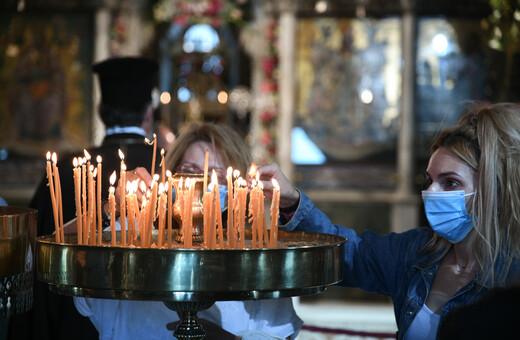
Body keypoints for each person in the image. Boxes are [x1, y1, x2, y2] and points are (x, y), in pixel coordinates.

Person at [253, 102, 520, 339]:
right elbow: (350, 255)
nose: (431, 193)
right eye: (429, 181)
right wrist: (291, 201)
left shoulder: (511, 277)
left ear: (489, 189)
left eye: (450, 182)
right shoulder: (417, 253)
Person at [73, 122, 303, 340]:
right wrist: (110, 208)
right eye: (189, 171)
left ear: (238, 187)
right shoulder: (132, 241)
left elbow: (279, 333)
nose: (198, 183)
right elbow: (72, 251)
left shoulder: (256, 260)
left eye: (214, 175)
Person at [8, 56, 159, 340]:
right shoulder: (167, 167)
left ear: (101, 111)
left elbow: (35, 251)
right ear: (148, 113)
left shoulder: (65, 168)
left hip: (70, 325)